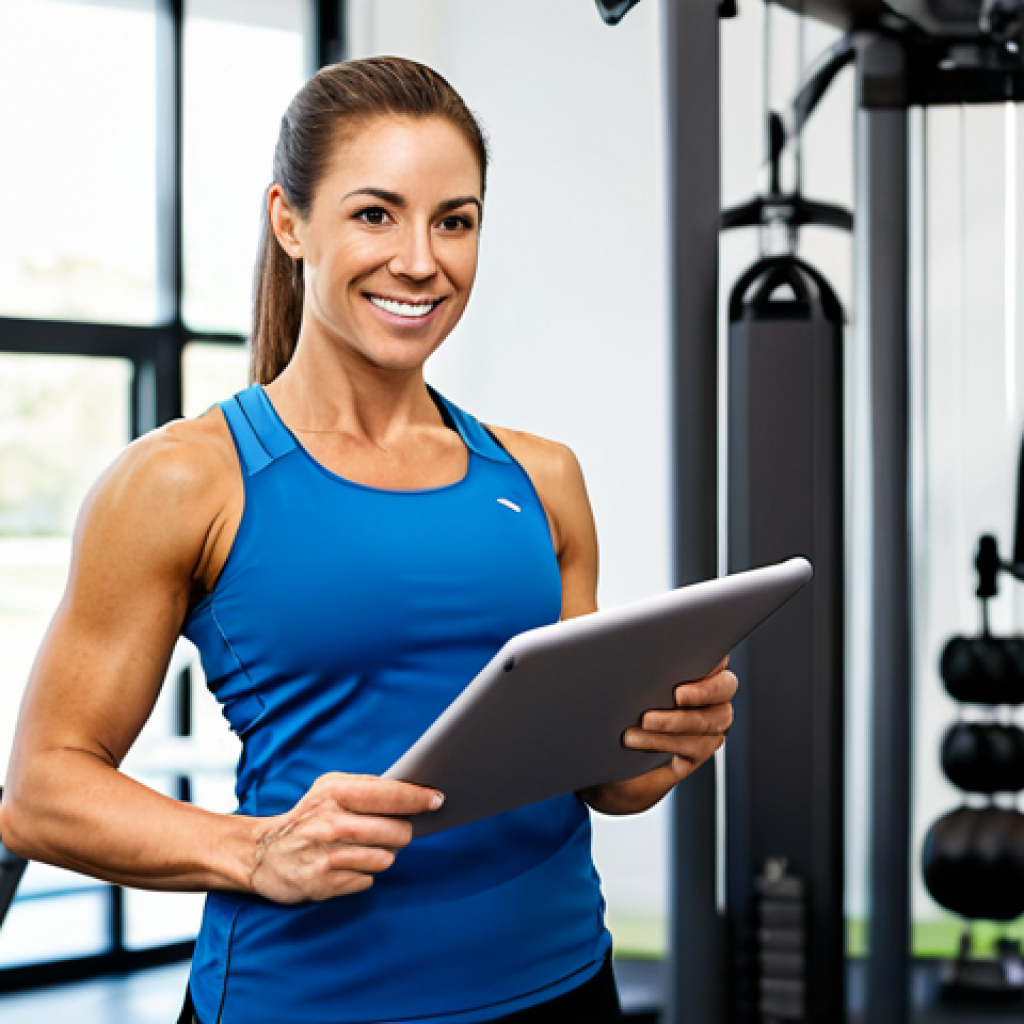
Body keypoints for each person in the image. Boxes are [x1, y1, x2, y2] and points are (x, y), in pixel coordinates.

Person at [0, 57, 737, 1023]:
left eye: (454, 221)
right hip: (309, 999)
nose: (422, 261)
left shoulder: (543, 478)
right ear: (290, 221)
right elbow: (42, 792)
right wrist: (254, 850)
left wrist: (662, 746)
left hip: (562, 984)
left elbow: (600, 779)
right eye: (376, 214)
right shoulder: (184, 481)